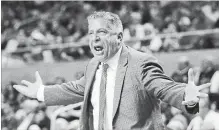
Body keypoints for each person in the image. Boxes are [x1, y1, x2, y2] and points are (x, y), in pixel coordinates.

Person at [14, 11, 211, 130]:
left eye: (102, 32)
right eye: (91, 33)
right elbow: (76, 89)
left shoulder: (141, 63)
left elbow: (164, 87)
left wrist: (186, 95)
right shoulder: (93, 65)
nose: (94, 38)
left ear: (119, 36)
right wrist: (40, 92)